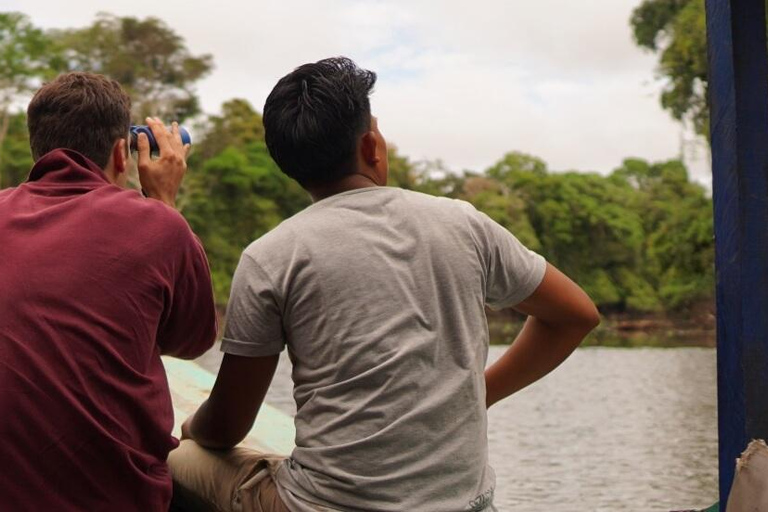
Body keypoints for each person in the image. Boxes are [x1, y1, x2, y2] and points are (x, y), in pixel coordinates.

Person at [171, 57, 600, 512]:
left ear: (289, 165)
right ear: (372, 146)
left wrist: (192, 428)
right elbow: (575, 315)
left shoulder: (271, 256)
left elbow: (228, 425)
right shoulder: (461, 224)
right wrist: (481, 393)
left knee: (176, 460)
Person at [0, 72, 218, 511]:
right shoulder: (158, 225)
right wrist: (163, 202)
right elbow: (193, 339)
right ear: (123, 153)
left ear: (37, 148)